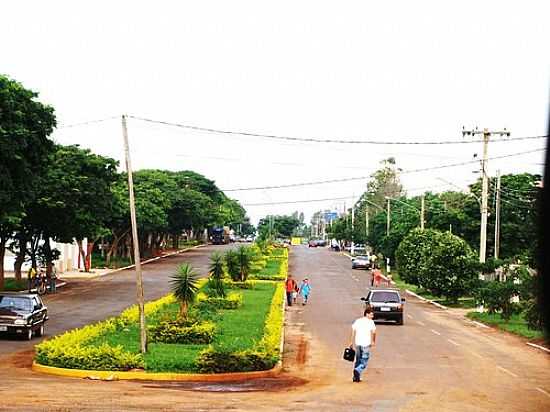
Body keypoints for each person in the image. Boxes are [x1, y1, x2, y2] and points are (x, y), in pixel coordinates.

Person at [349, 305, 376, 382]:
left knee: (358, 360)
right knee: (364, 361)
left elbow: (353, 331)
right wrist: (373, 341)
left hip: (358, 343)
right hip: (366, 344)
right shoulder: (371, 322)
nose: (372, 316)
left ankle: (356, 377)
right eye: (371, 314)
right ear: (367, 314)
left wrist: (351, 342)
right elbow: (374, 333)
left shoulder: (358, 321)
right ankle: (357, 370)